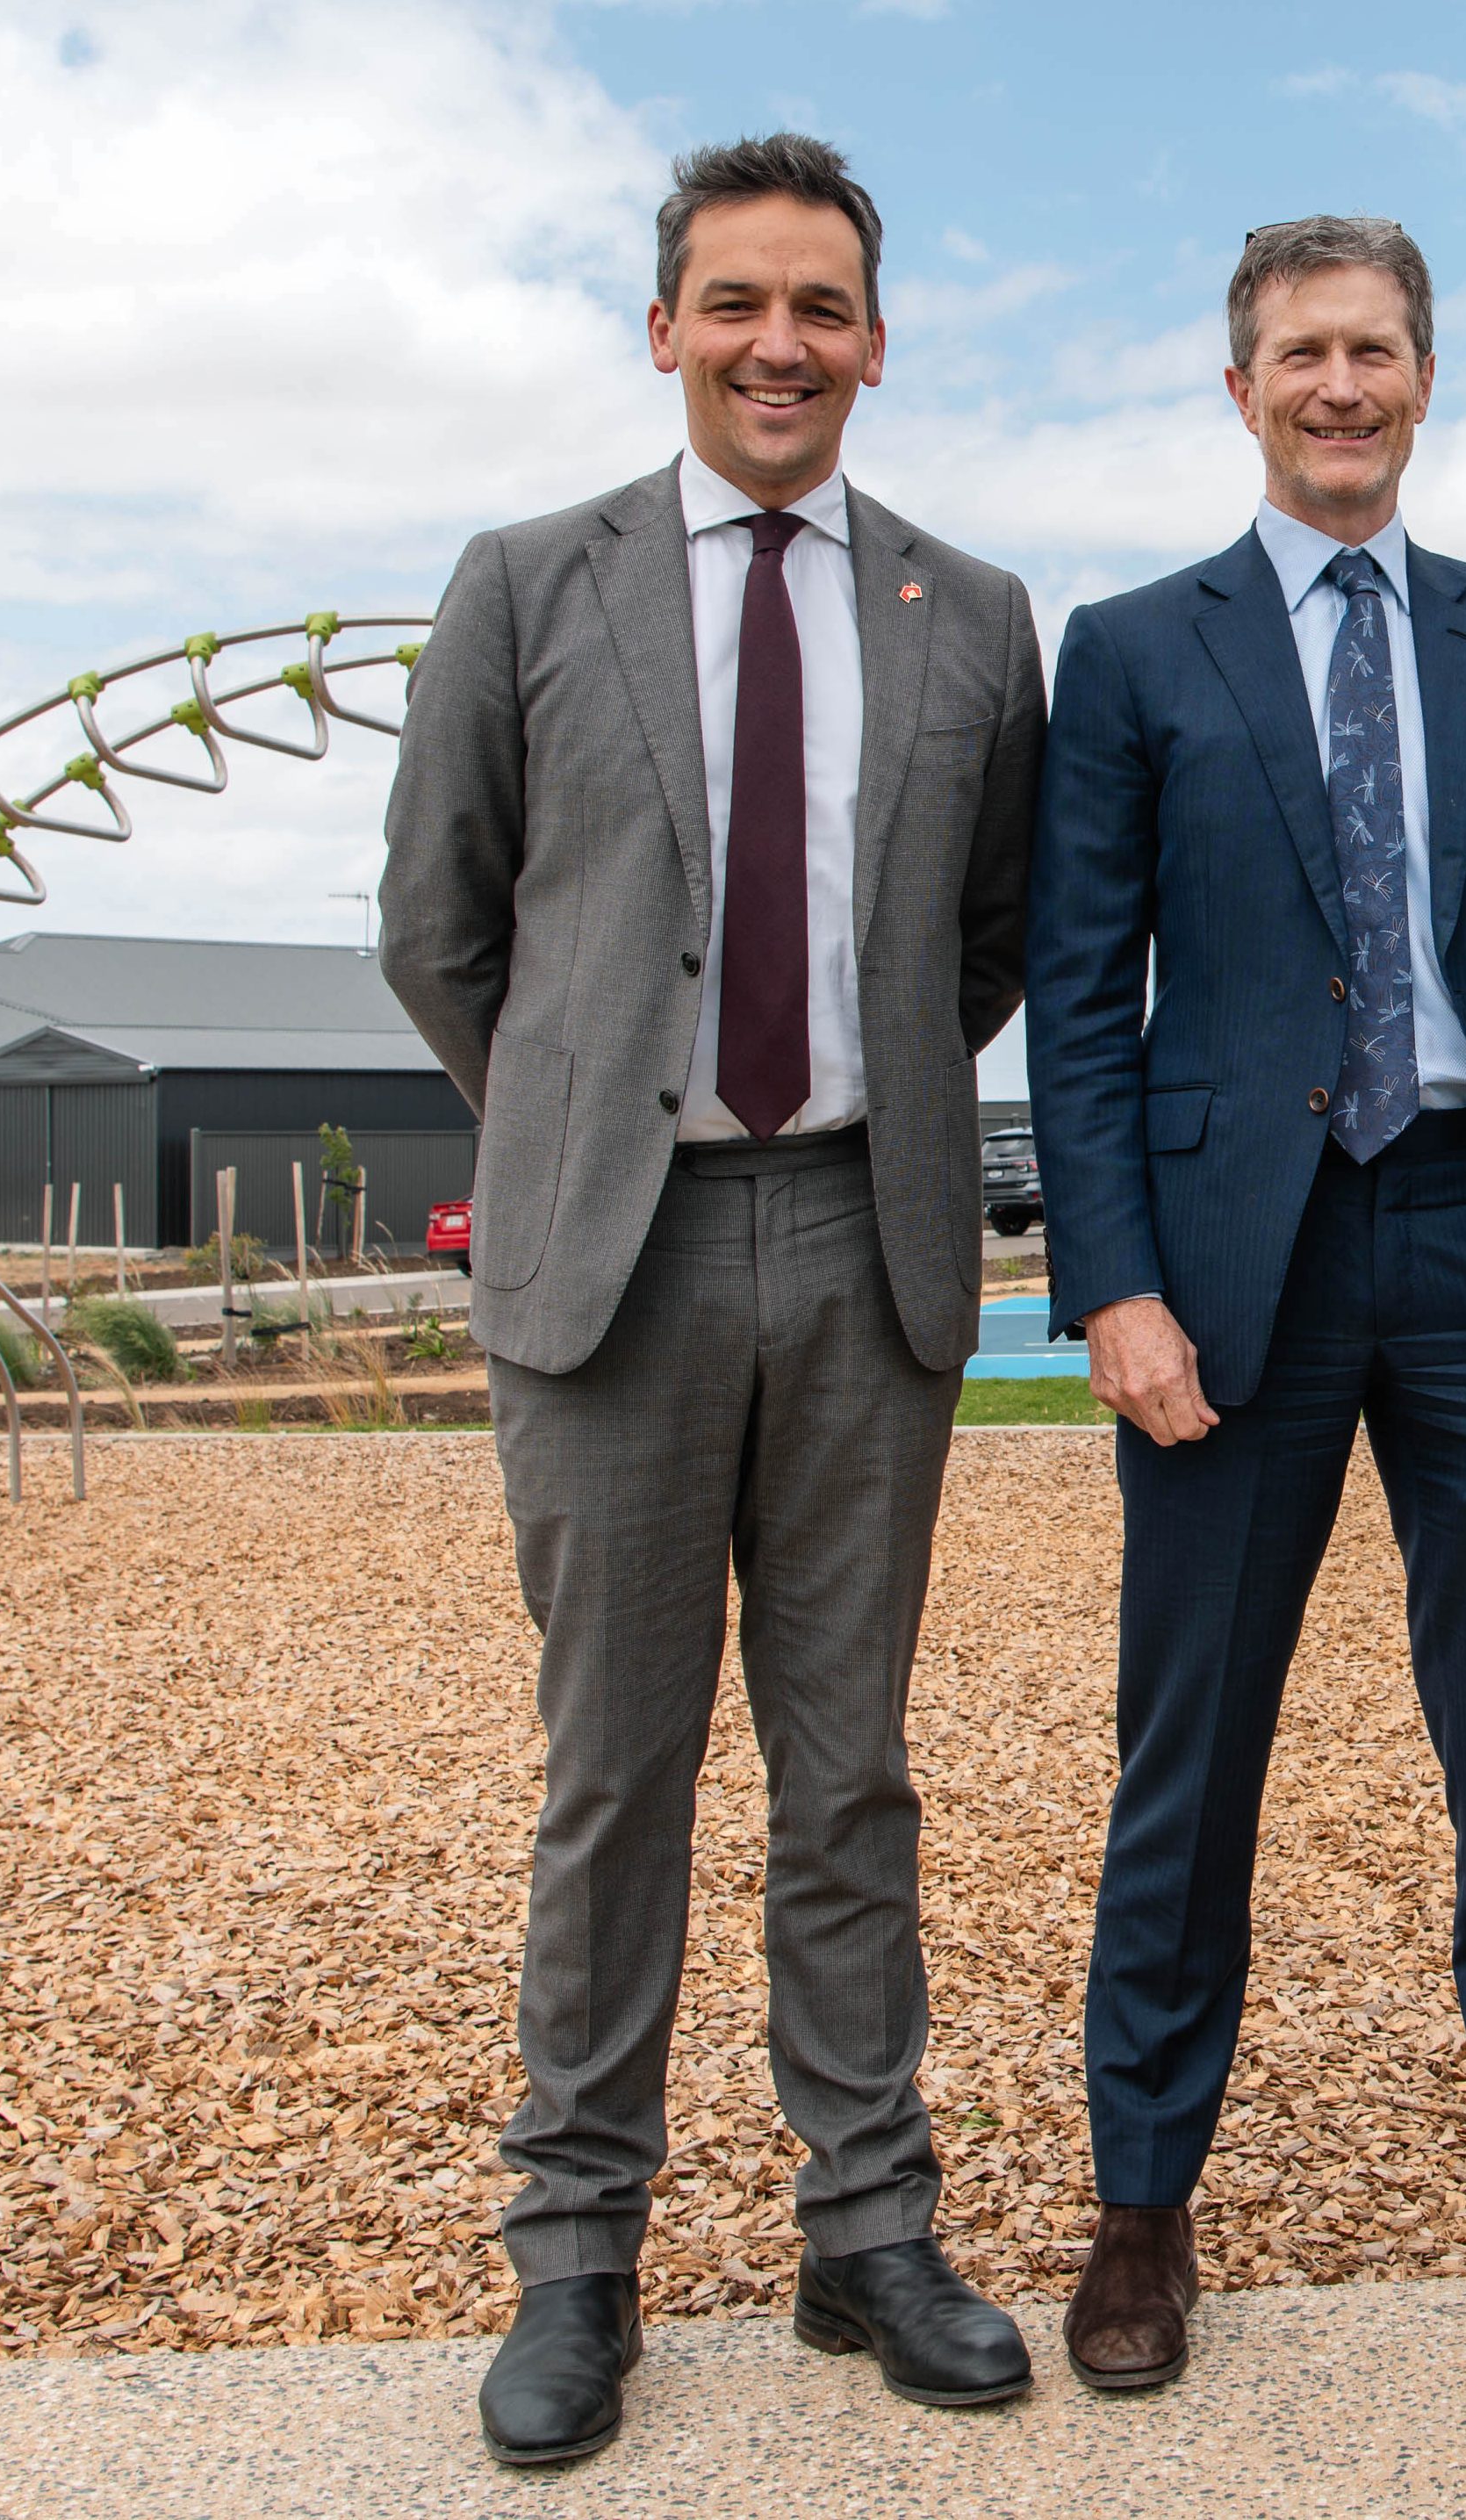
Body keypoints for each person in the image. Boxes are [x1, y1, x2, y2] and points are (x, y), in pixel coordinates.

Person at [378, 133, 1041, 2465]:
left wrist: (829, 1104)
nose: (783, 342)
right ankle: (577, 2255)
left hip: (866, 1243)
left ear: (876, 337)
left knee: (849, 1774)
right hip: (619, 1256)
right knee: (615, 1776)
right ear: (663, 327)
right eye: (739, 301)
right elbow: (444, 926)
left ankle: (868, 2227)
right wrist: (595, 1116)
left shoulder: (971, 610)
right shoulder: (523, 582)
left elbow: (979, 945)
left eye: (825, 306)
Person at [1025, 215, 1466, 2391]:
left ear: (1423, 375)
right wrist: (1108, 1276)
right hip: (1230, 1269)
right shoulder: (1129, 651)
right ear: (1240, 388)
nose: (1338, 385)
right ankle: (1140, 2204)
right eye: (1298, 353)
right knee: (1187, 1754)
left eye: (1373, 350)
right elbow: (1078, 999)